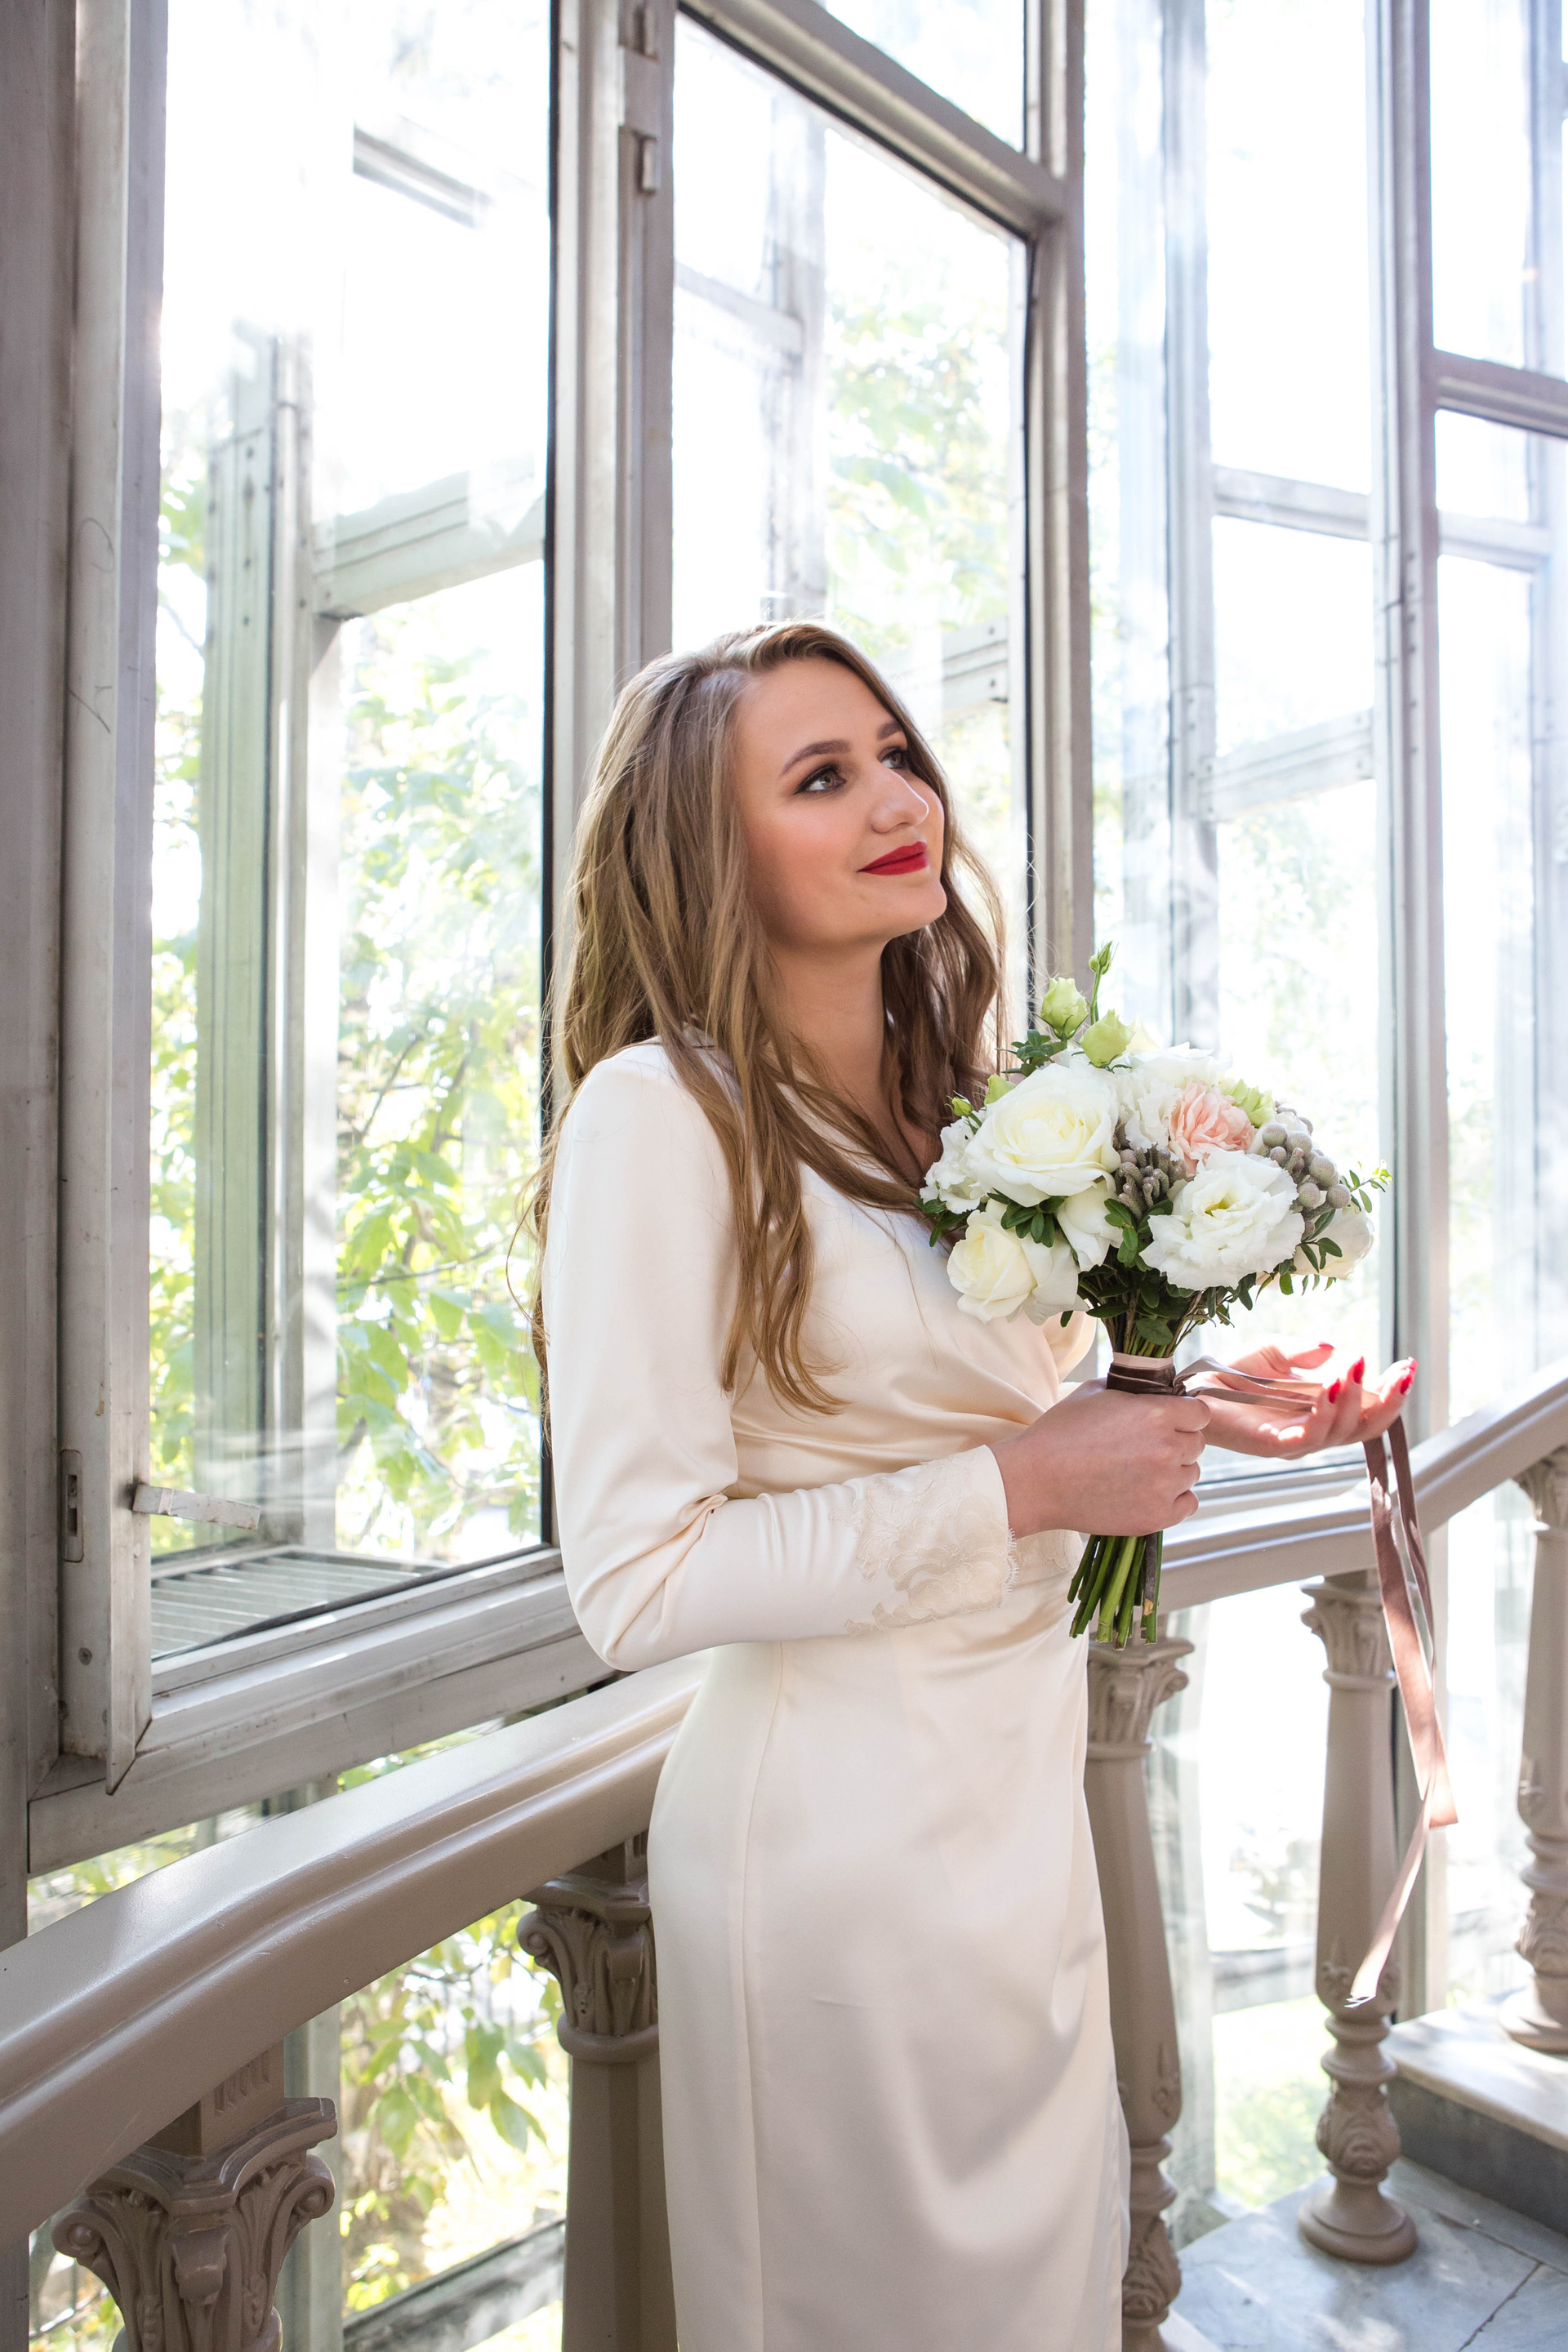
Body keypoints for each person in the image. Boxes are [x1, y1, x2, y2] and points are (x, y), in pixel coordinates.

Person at [532, 621, 1413, 2352]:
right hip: (834, 1861)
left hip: (1017, 1817)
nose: (898, 799)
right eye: (820, 776)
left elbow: (977, 1409)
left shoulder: (958, 1110)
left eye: (895, 754)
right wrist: (1022, 1485)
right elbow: (635, 1583)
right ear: (707, 851)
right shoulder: (662, 1115)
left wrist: (1203, 1405)